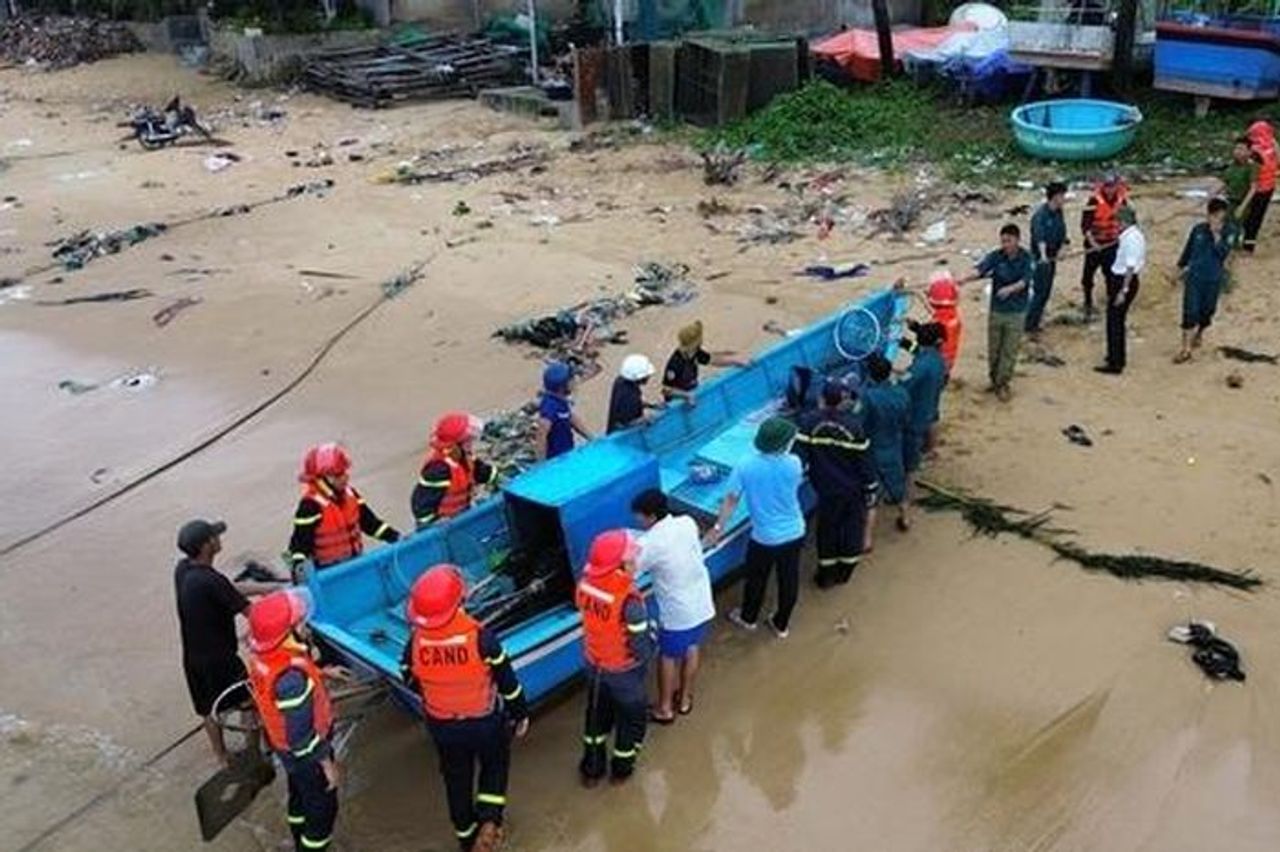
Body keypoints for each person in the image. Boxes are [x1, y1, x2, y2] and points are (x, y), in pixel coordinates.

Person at [401, 565, 530, 852]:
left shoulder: (415, 642)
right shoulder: (482, 639)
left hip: (442, 726)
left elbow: (408, 676)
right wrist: (520, 713)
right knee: (494, 766)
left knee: (456, 779)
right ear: (460, 601)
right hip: (484, 722)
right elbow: (508, 684)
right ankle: (490, 819)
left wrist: (435, 692)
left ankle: (465, 836)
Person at [245, 589, 340, 852]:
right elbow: (300, 736)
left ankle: (298, 838)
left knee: (299, 797)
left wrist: (320, 673)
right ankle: (310, 845)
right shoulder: (291, 678)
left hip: (284, 749)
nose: (303, 623)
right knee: (322, 813)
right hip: (305, 753)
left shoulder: (266, 657)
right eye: (298, 621)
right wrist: (325, 762)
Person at [174, 519, 268, 765]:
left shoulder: (183, 570)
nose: (219, 538)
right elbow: (252, 614)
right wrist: (284, 603)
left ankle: (221, 756)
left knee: (207, 709)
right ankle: (254, 753)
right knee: (250, 703)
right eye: (214, 536)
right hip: (221, 660)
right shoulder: (211, 581)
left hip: (193, 657)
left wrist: (266, 588)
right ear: (208, 545)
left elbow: (229, 589)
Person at [706, 417, 805, 638]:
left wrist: (718, 528)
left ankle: (748, 618)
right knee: (789, 579)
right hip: (795, 531)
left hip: (765, 538)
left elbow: (731, 500)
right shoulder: (795, 463)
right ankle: (781, 625)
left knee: (756, 579)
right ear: (783, 445)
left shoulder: (746, 465)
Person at [575, 530, 656, 787]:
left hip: (594, 665)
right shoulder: (629, 600)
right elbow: (640, 646)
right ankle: (621, 770)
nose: (635, 563)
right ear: (620, 565)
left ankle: (592, 769)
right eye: (631, 559)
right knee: (631, 722)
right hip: (624, 673)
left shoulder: (584, 584)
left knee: (596, 718)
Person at [631, 489, 714, 723]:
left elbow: (630, 572)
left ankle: (665, 709)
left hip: (678, 613)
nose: (637, 520)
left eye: (639, 516)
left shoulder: (649, 542)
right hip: (702, 602)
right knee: (692, 647)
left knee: (667, 657)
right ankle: (685, 699)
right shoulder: (687, 522)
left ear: (650, 517)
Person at [794, 383, 878, 589]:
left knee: (827, 530)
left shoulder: (808, 422)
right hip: (853, 490)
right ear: (842, 402)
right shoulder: (855, 427)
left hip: (826, 490)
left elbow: (798, 458)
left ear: (822, 399)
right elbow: (864, 463)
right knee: (851, 529)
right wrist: (871, 488)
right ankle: (844, 573)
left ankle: (825, 575)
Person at [289, 443, 400, 573]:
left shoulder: (351, 494)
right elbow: (300, 544)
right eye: (338, 475)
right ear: (321, 480)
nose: (344, 478)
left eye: (344, 473)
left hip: (354, 563)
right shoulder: (310, 507)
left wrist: (396, 537)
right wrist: (299, 566)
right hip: (328, 574)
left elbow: (371, 524)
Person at [959, 223, 1034, 402]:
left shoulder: (1026, 258)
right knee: (994, 349)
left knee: (1009, 350)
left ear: (1017, 240)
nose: (1005, 245)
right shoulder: (996, 256)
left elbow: (1025, 281)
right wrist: (963, 279)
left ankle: (1003, 383)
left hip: (1016, 311)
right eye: (1003, 241)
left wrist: (1010, 289)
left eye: (1008, 241)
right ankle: (994, 380)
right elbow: (981, 269)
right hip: (997, 310)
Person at [859, 352, 912, 549]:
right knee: (898, 486)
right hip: (894, 445)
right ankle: (905, 518)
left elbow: (859, 424)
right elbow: (906, 419)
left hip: (873, 450)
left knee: (871, 496)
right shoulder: (902, 393)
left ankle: (867, 540)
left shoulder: (868, 397)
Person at [1175, 198, 1235, 364]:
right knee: (1189, 311)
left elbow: (1224, 254)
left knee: (1207, 311)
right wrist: (1179, 268)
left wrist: (1217, 235)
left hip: (1214, 279)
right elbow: (1187, 250)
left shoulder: (1229, 232)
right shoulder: (1198, 229)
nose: (1216, 219)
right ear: (1208, 214)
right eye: (1214, 215)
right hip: (1194, 278)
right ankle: (1186, 349)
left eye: (1220, 216)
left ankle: (1200, 331)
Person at [412, 412, 497, 529]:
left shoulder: (464, 457)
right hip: (445, 525)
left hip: (462, 515)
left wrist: (502, 479)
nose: (470, 444)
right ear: (454, 446)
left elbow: (483, 473)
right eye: (467, 441)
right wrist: (436, 526)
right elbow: (421, 506)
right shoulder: (439, 470)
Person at [1096, 205, 1145, 375]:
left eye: (1117, 221)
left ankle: (1115, 363)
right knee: (1116, 321)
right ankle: (1115, 357)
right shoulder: (1134, 235)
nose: (1116, 224)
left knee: (1115, 322)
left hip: (1123, 281)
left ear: (1123, 221)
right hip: (1124, 280)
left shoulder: (1130, 239)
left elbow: (1130, 267)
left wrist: (1123, 291)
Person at [1080, 173, 1129, 318]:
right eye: (1107, 186)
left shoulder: (1122, 201)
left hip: (1111, 245)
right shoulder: (1093, 201)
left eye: (1112, 186)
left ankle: (1111, 301)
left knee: (1111, 275)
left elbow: (1126, 224)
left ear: (1116, 186)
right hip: (1093, 245)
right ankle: (1087, 302)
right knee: (1087, 276)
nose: (1109, 190)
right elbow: (1085, 226)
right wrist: (1094, 244)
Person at [660, 321, 745, 404]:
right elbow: (666, 389)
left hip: (691, 392)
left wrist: (735, 361)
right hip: (678, 401)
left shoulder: (695, 352)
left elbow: (713, 360)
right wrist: (685, 395)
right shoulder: (675, 363)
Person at [901, 322, 948, 468]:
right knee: (932, 418)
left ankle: (916, 461)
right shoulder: (937, 358)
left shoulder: (920, 366)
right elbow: (918, 350)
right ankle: (931, 450)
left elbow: (905, 385)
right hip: (931, 395)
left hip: (919, 405)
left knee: (914, 433)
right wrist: (904, 343)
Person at [1026, 181, 1070, 336]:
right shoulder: (1040, 216)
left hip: (1052, 257)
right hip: (1041, 258)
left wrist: (1064, 248)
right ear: (1055, 197)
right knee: (1040, 292)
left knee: (1046, 292)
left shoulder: (1059, 212)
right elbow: (1040, 238)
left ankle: (1035, 320)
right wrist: (1043, 257)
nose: (1064, 198)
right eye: (1062, 195)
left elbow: (1063, 232)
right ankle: (1029, 324)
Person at [535, 361, 592, 460]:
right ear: (562, 387)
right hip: (555, 459)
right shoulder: (550, 406)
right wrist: (542, 466)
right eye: (571, 380)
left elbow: (570, 417)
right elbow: (541, 435)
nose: (574, 382)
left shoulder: (561, 401)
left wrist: (591, 437)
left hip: (567, 453)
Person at [1243, 118, 1276, 253]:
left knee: (1247, 214)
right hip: (1269, 187)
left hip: (1255, 188)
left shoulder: (1254, 150)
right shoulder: (1273, 144)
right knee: (1258, 216)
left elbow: (1248, 169)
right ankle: (1250, 245)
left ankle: (1244, 241)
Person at [607, 354, 659, 434]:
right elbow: (626, 423)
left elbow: (631, 405)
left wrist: (651, 405)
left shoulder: (621, 382)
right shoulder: (629, 395)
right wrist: (645, 419)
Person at [925, 269, 963, 374]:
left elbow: (922, 345)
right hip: (949, 360)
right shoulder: (954, 318)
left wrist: (904, 343)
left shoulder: (936, 324)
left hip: (936, 362)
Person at [1224, 137, 1261, 239]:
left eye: (1241, 149)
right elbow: (1225, 182)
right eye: (1236, 148)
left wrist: (1242, 207)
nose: (1237, 152)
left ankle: (1237, 248)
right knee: (1227, 224)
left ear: (1249, 152)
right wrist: (1212, 194)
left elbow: (1253, 188)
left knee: (1237, 227)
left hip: (1243, 202)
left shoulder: (1252, 167)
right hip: (1230, 201)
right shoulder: (1232, 165)